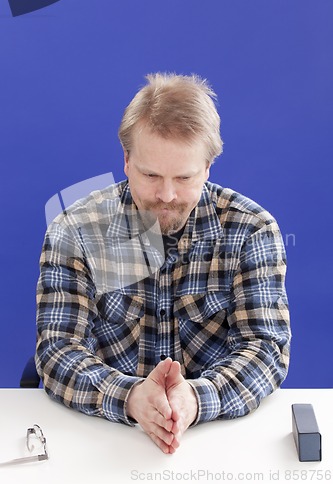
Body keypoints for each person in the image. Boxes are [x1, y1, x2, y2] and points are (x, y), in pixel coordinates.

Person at [35, 73, 291, 455]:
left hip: (216, 441)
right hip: (101, 440)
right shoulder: (74, 229)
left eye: (184, 177)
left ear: (207, 168)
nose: (166, 195)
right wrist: (132, 396)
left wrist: (196, 399)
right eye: (150, 174)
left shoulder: (252, 230)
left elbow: (266, 348)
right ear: (126, 160)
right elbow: (57, 349)